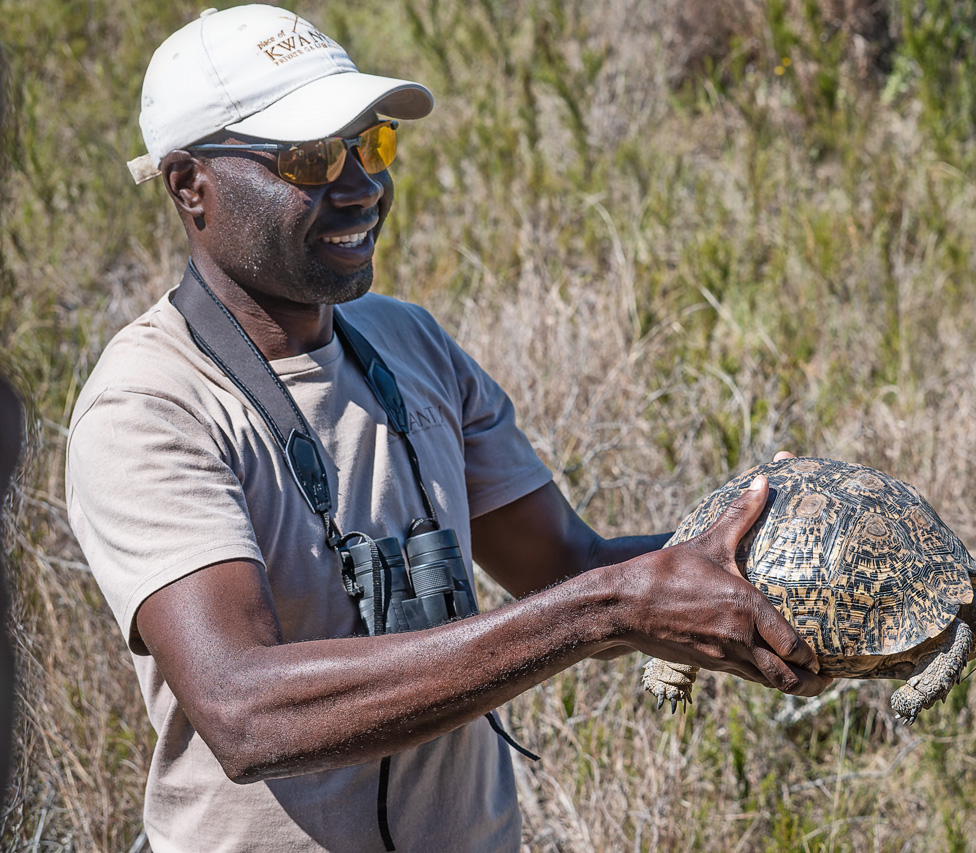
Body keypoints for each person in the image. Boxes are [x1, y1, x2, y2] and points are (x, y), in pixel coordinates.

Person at [65, 6, 828, 852]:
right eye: (310, 158)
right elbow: (247, 712)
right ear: (188, 185)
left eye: (372, 144)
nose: (359, 183)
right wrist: (607, 610)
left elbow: (563, 565)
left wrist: (794, 565)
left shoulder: (408, 342)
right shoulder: (150, 405)